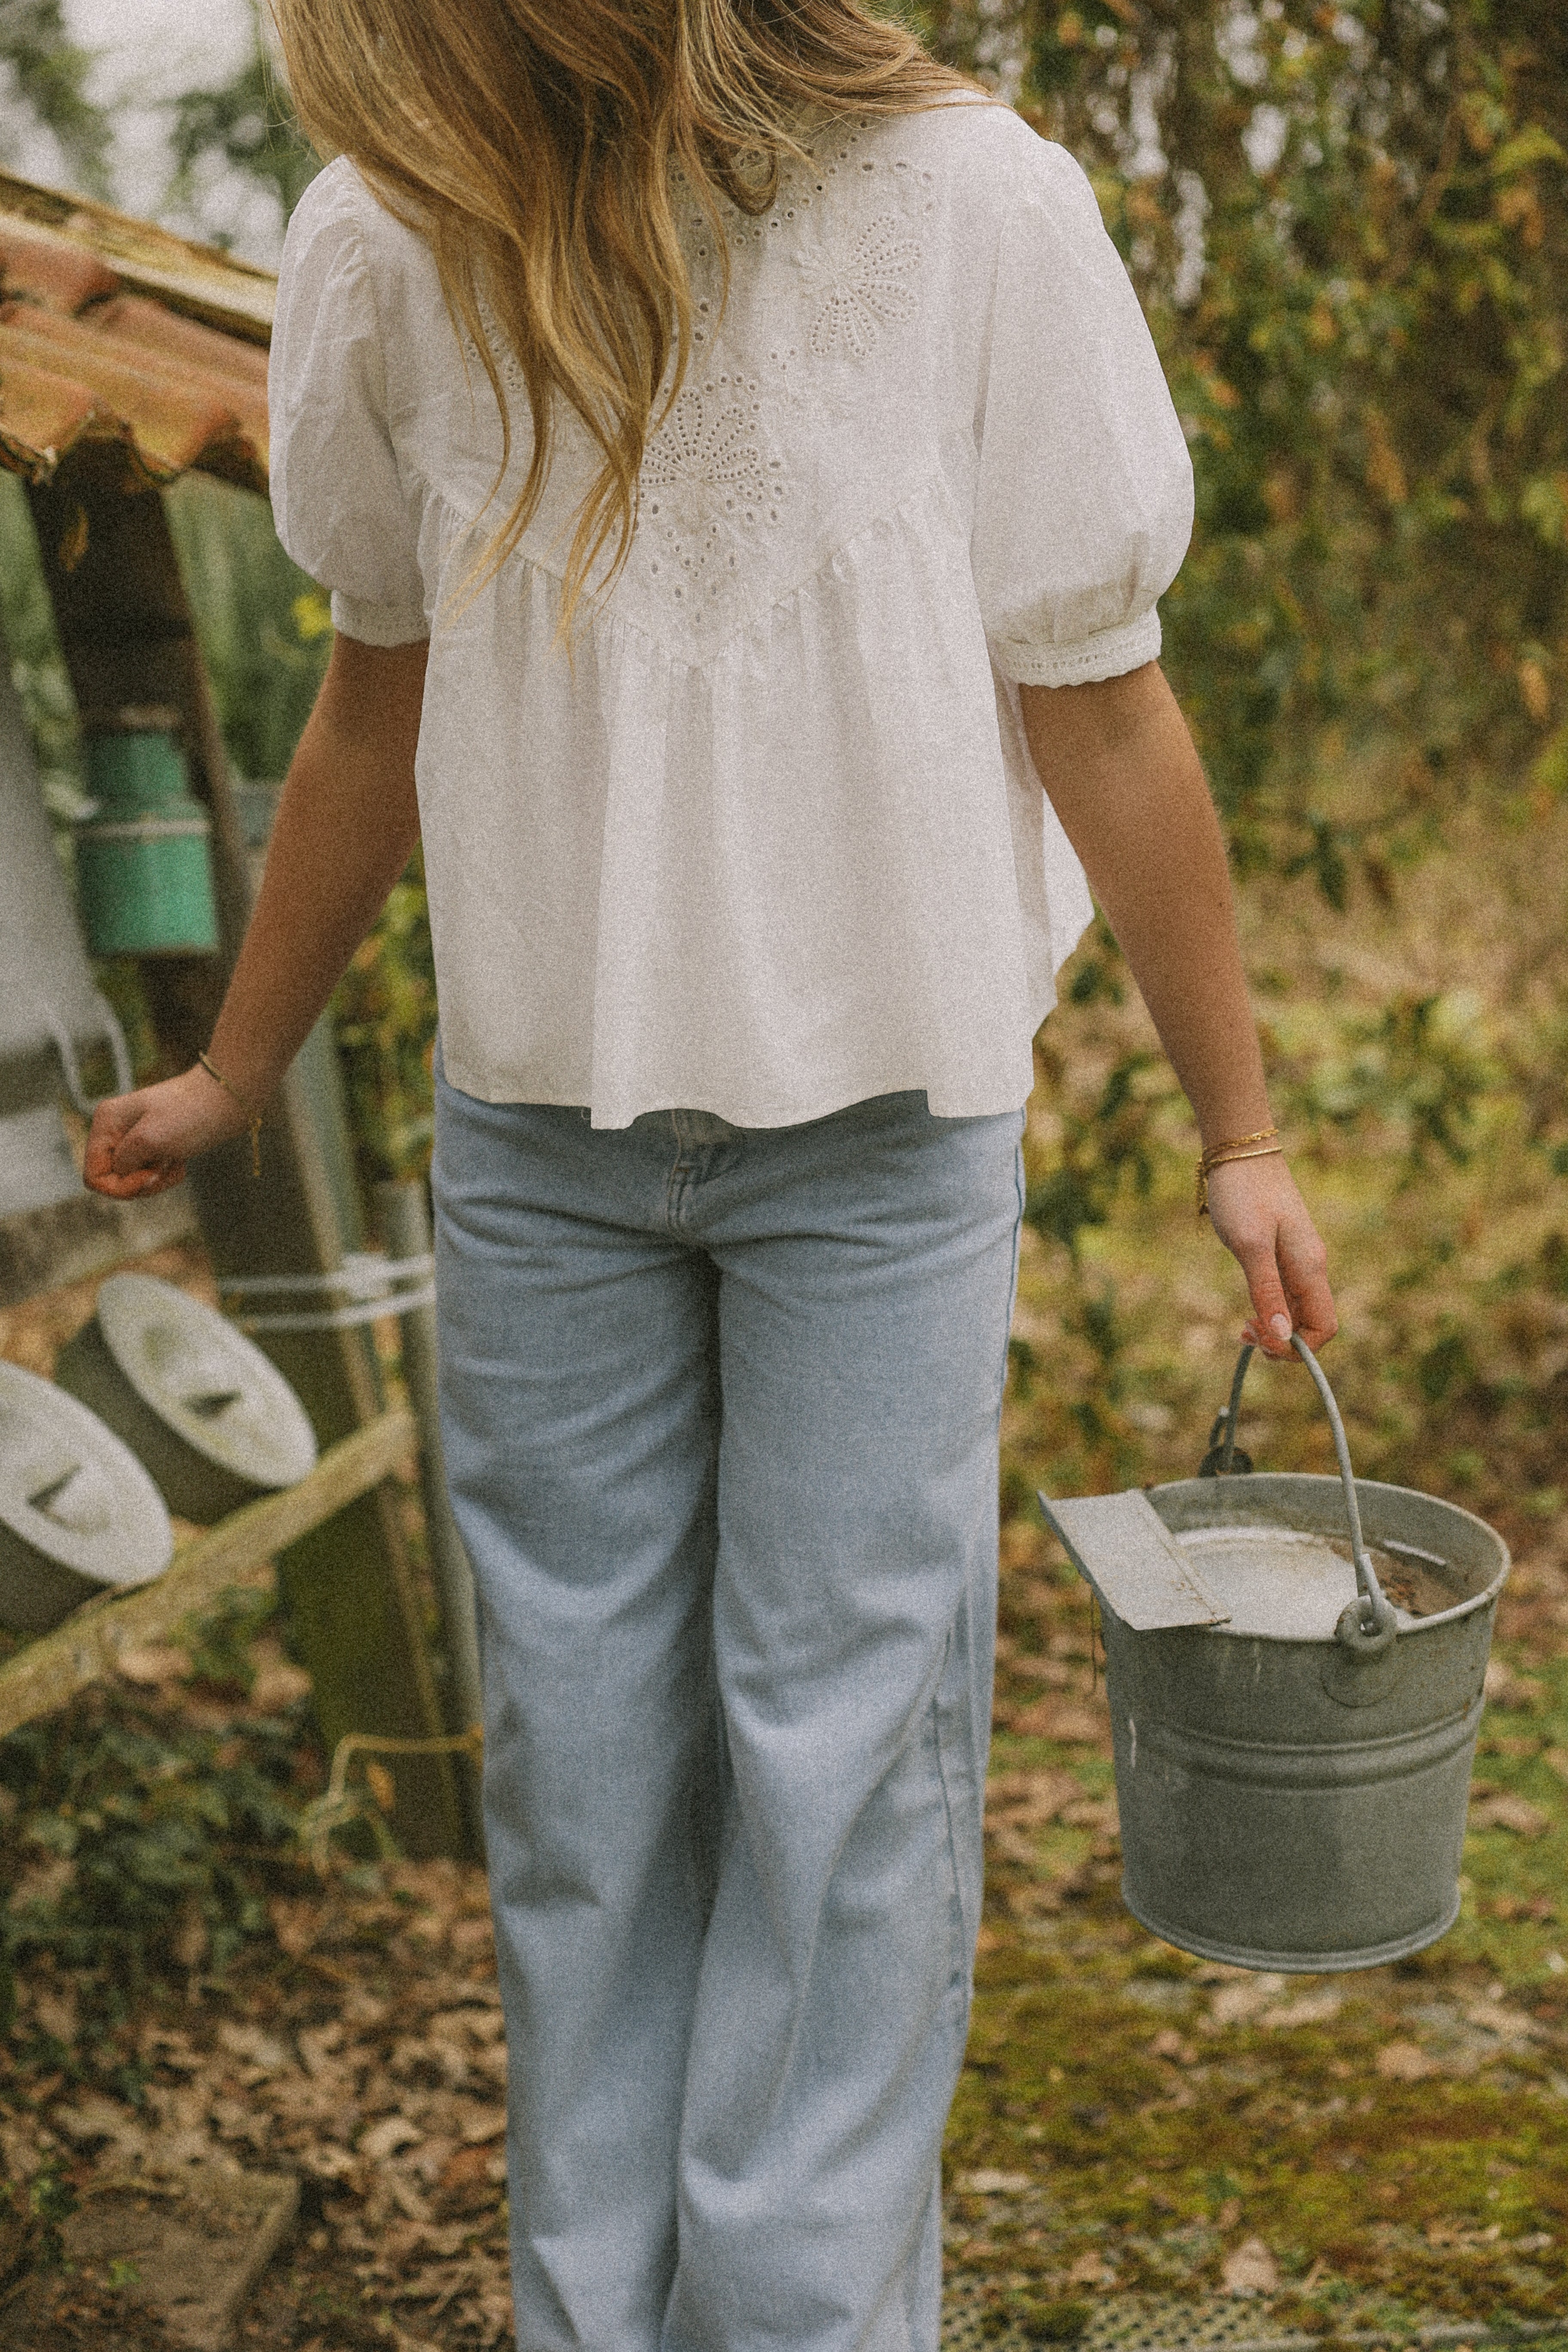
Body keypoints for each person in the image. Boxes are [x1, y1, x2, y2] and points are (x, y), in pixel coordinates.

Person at [85, 6, 1337, 2348]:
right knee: (579, 1787)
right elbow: (371, 698)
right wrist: (236, 1074)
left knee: (841, 1768)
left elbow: (1104, 699)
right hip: (540, 1151)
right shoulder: (386, 239)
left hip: (881, 1144)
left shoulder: (977, 216)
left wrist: (1240, 1131)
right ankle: (594, 2318)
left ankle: (797, 2318)